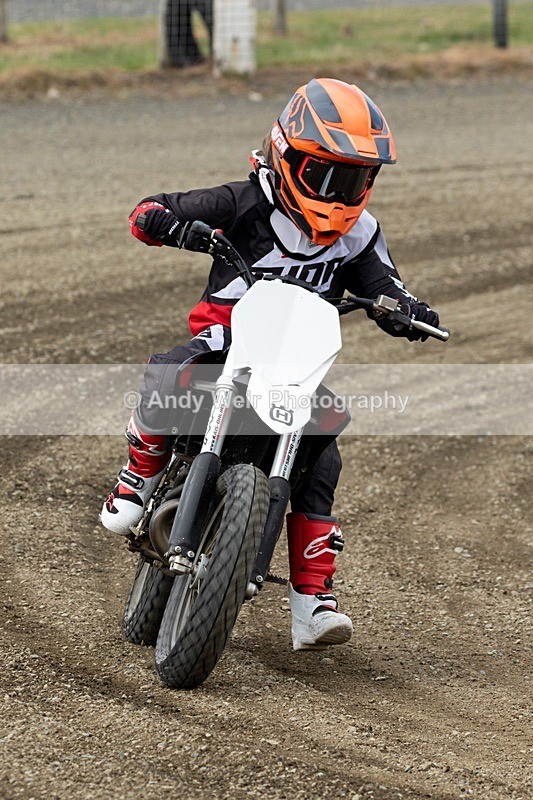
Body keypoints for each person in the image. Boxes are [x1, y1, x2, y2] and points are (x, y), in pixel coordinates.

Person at [101, 78, 439, 651]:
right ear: (285, 155)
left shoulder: (359, 234)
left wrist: (405, 310)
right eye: (324, 174)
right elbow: (147, 212)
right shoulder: (244, 202)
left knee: (324, 454)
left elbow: (385, 284)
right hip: (225, 341)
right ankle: (141, 474)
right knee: (169, 376)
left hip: (293, 365)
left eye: (354, 178)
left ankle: (312, 601)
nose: (339, 191)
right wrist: (168, 222)